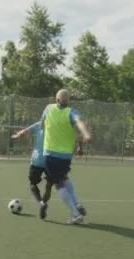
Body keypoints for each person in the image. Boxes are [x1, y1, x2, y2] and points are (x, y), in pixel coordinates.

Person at [41, 89, 91, 224]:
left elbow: (41, 125)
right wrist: (86, 134)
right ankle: (77, 203)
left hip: (50, 154)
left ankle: (76, 215)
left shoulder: (48, 108)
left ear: (56, 99)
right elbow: (80, 122)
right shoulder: (71, 111)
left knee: (58, 185)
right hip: (66, 156)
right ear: (68, 101)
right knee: (64, 178)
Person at [12, 122, 53, 219]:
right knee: (50, 184)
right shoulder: (56, 124)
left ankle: (41, 203)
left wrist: (18, 135)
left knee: (32, 184)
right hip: (51, 159)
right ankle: (44, 201)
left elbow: (24, 131)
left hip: (37, 159)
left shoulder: (41, 123)